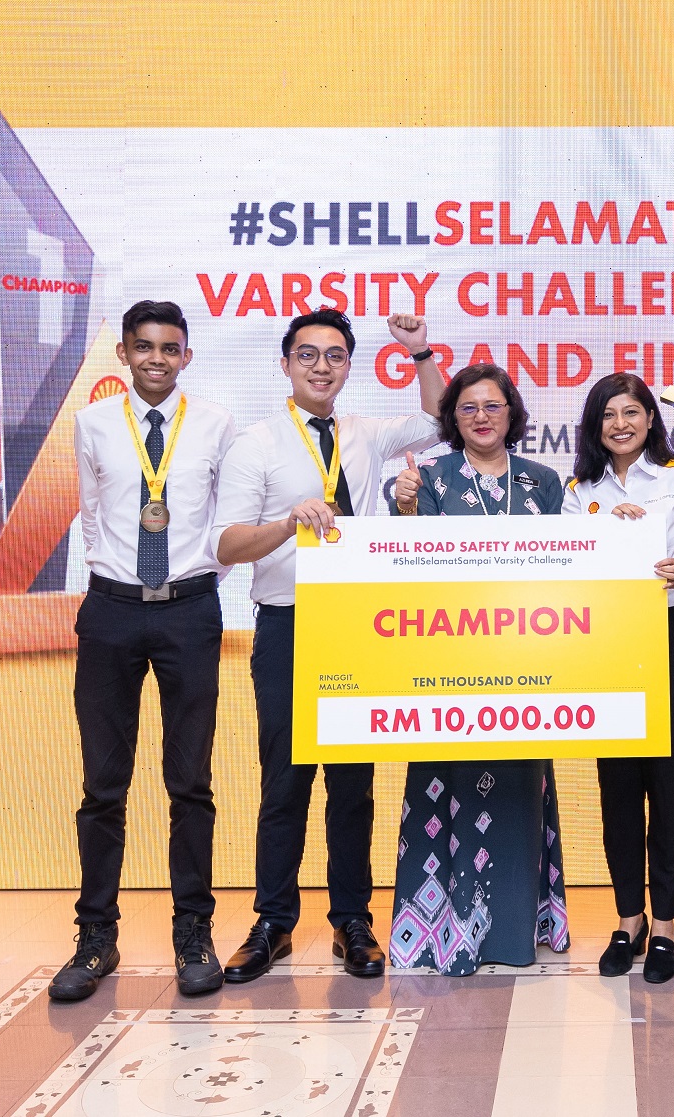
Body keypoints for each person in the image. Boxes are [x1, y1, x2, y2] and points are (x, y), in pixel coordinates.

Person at [210, 308, 446, 982]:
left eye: (335, 356)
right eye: (308, 354)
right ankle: (274, 920)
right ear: (285, 363)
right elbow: (226, 545)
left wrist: (421, 351)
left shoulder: (365, 431)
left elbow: (438, 419)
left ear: (348, 366)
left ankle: (353, 919)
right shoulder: (257, 443)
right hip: (286, 623)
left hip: (358, 624)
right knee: (285, 778)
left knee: (353, 782)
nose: (321, 366)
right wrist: (288, 523)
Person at [51, 300, 238, 1003]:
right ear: (125, 354)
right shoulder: (94, 422)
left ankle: (194, 932)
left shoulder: (215, 424)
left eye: (170, 347)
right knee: (104, 786)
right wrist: (118, 586)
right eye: (144, 347)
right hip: (112, 611)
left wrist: (196, 581)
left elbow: (223, 517)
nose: (157, 358)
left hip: (190, 610)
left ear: (186, 355)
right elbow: (94, 511)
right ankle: (95, 936)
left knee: (189, 783)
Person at [384, 364, 570, 975]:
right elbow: (408, 563)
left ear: (512, 413)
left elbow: (569, 566)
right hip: (448, 664)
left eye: (492, 406)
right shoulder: (429, 479)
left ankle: (517, 926)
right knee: (447, 785)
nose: (481, 416)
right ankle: (439, 929)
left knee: (519, 790)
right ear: (451, 419)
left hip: (526, 665)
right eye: (467, 408)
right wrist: (404, 509)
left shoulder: (544, 483)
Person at [563, 373, 674, 985]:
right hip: (607, 645)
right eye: (609, 415)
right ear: (595, 425)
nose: (621, 424)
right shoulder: (579, 490)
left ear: (652, 420)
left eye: (632, 412)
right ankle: (627, 919)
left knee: (670, 780)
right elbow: (569, 571)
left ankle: (665, 924)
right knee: (617, 785)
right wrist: (607, 534)